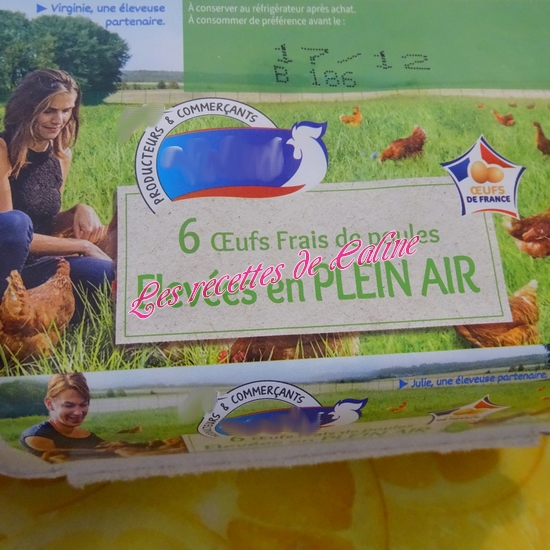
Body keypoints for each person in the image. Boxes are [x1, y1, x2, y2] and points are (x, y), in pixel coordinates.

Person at [0, 69, 115, 320]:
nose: (59, 119)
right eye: (49, 111)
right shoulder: (2, 150)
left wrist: (76, 211)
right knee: (17, 222)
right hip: (4, 264)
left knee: (104, 273)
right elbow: (12, 236)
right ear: (27, 109)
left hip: (34, 265)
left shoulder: (61, 155)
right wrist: (83, 245)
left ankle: (46, 322)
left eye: (67, 110)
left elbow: (46, 224)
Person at [20, 372, 104, 456]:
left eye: (83, 405)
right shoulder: (37, 436)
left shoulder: (88, 436)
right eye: (69, 405)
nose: (78, 413)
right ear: (49, 404)